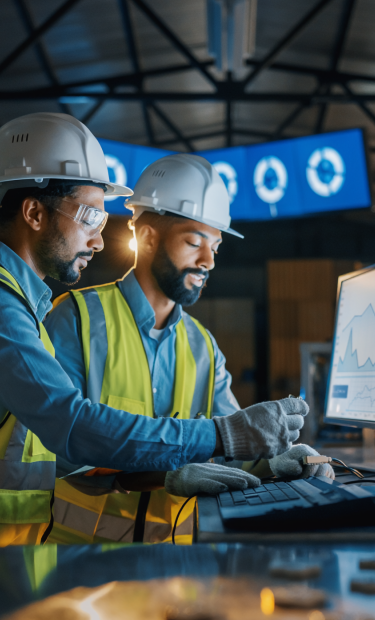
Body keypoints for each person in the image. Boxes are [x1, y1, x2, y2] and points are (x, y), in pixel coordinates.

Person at [0, 113, 307, 549]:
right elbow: (70, 427)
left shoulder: (18, 303)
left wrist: (259, 464)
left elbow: (41, 452)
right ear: (34, 212)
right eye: (90, 217)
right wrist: (222, 436)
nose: (98, 240)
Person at [45, 154, 332, 545]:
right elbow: (57, 454)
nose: (208, 260)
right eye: (194, 242)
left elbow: (234, 441)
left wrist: (275, 461)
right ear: (146, 237)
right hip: (83, 566)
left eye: (215, 245)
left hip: (176, 569)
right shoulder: (75, 321)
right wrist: (158, 475)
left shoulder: (203, 347)